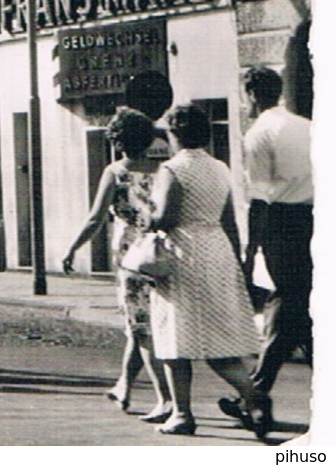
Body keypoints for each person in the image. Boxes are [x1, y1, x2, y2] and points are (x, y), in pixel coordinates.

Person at [146, 104, 267, 437]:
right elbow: (229, 219)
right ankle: (254, 397)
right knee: (220, 337)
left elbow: (167, 217)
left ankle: (182, 413)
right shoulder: (221, 168)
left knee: (174, 335)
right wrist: (241, 259)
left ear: (174, 134)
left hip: (184, 252)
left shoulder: (172, 169)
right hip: (217, 249)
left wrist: (147, 216)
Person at [62, 107, 171, 420]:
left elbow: (96, 217)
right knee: (143, 325)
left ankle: (165, 400)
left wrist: (73, 248)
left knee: (140, 328)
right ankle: (124, 386)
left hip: (132, 258)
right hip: (161, 252)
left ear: (118, 140)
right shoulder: (164, 170)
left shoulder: (116, 172)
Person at [220, 66, 312, 431]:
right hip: (316, 220)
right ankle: (255, 396)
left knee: (285, 303)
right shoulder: (306, 126)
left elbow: (259, 197)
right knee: (297, 306)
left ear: (253, 94)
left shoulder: (259, 133)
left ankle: (256, 396)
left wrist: (249, 250)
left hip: (282, 222)